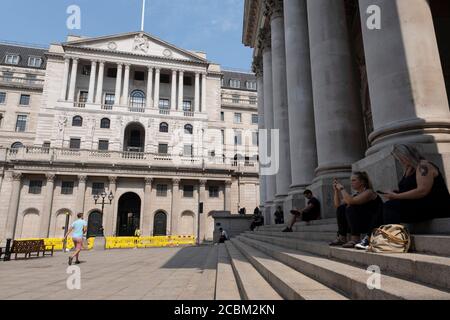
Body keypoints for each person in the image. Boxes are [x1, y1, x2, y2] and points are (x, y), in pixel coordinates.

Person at [381, 144, 450, 224]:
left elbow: (422, 191)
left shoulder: (423, 166)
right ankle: (373, 235)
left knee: (390, 206)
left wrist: (397, 196)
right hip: (419, 205)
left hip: (434, 207)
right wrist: (396, 193)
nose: (400, 161)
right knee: (382, 208)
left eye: (400, 158)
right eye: (397, 159)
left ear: (407, 155)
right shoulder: (409, 169)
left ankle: (392, 234)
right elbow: (410, 188)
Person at [329, 172, 383, 249]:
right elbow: (338, 204)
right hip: (361, 222)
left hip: (373, 224)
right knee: (341, 208)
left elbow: (351, 201)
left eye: (354, 180)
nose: (351, 183)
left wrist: (342, 189)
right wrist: (336, 191)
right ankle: (342, 238)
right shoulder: (356, 195)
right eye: (351, 180)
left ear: (362, 182)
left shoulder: (369, 192)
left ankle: (355, 239)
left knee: (351, 206)